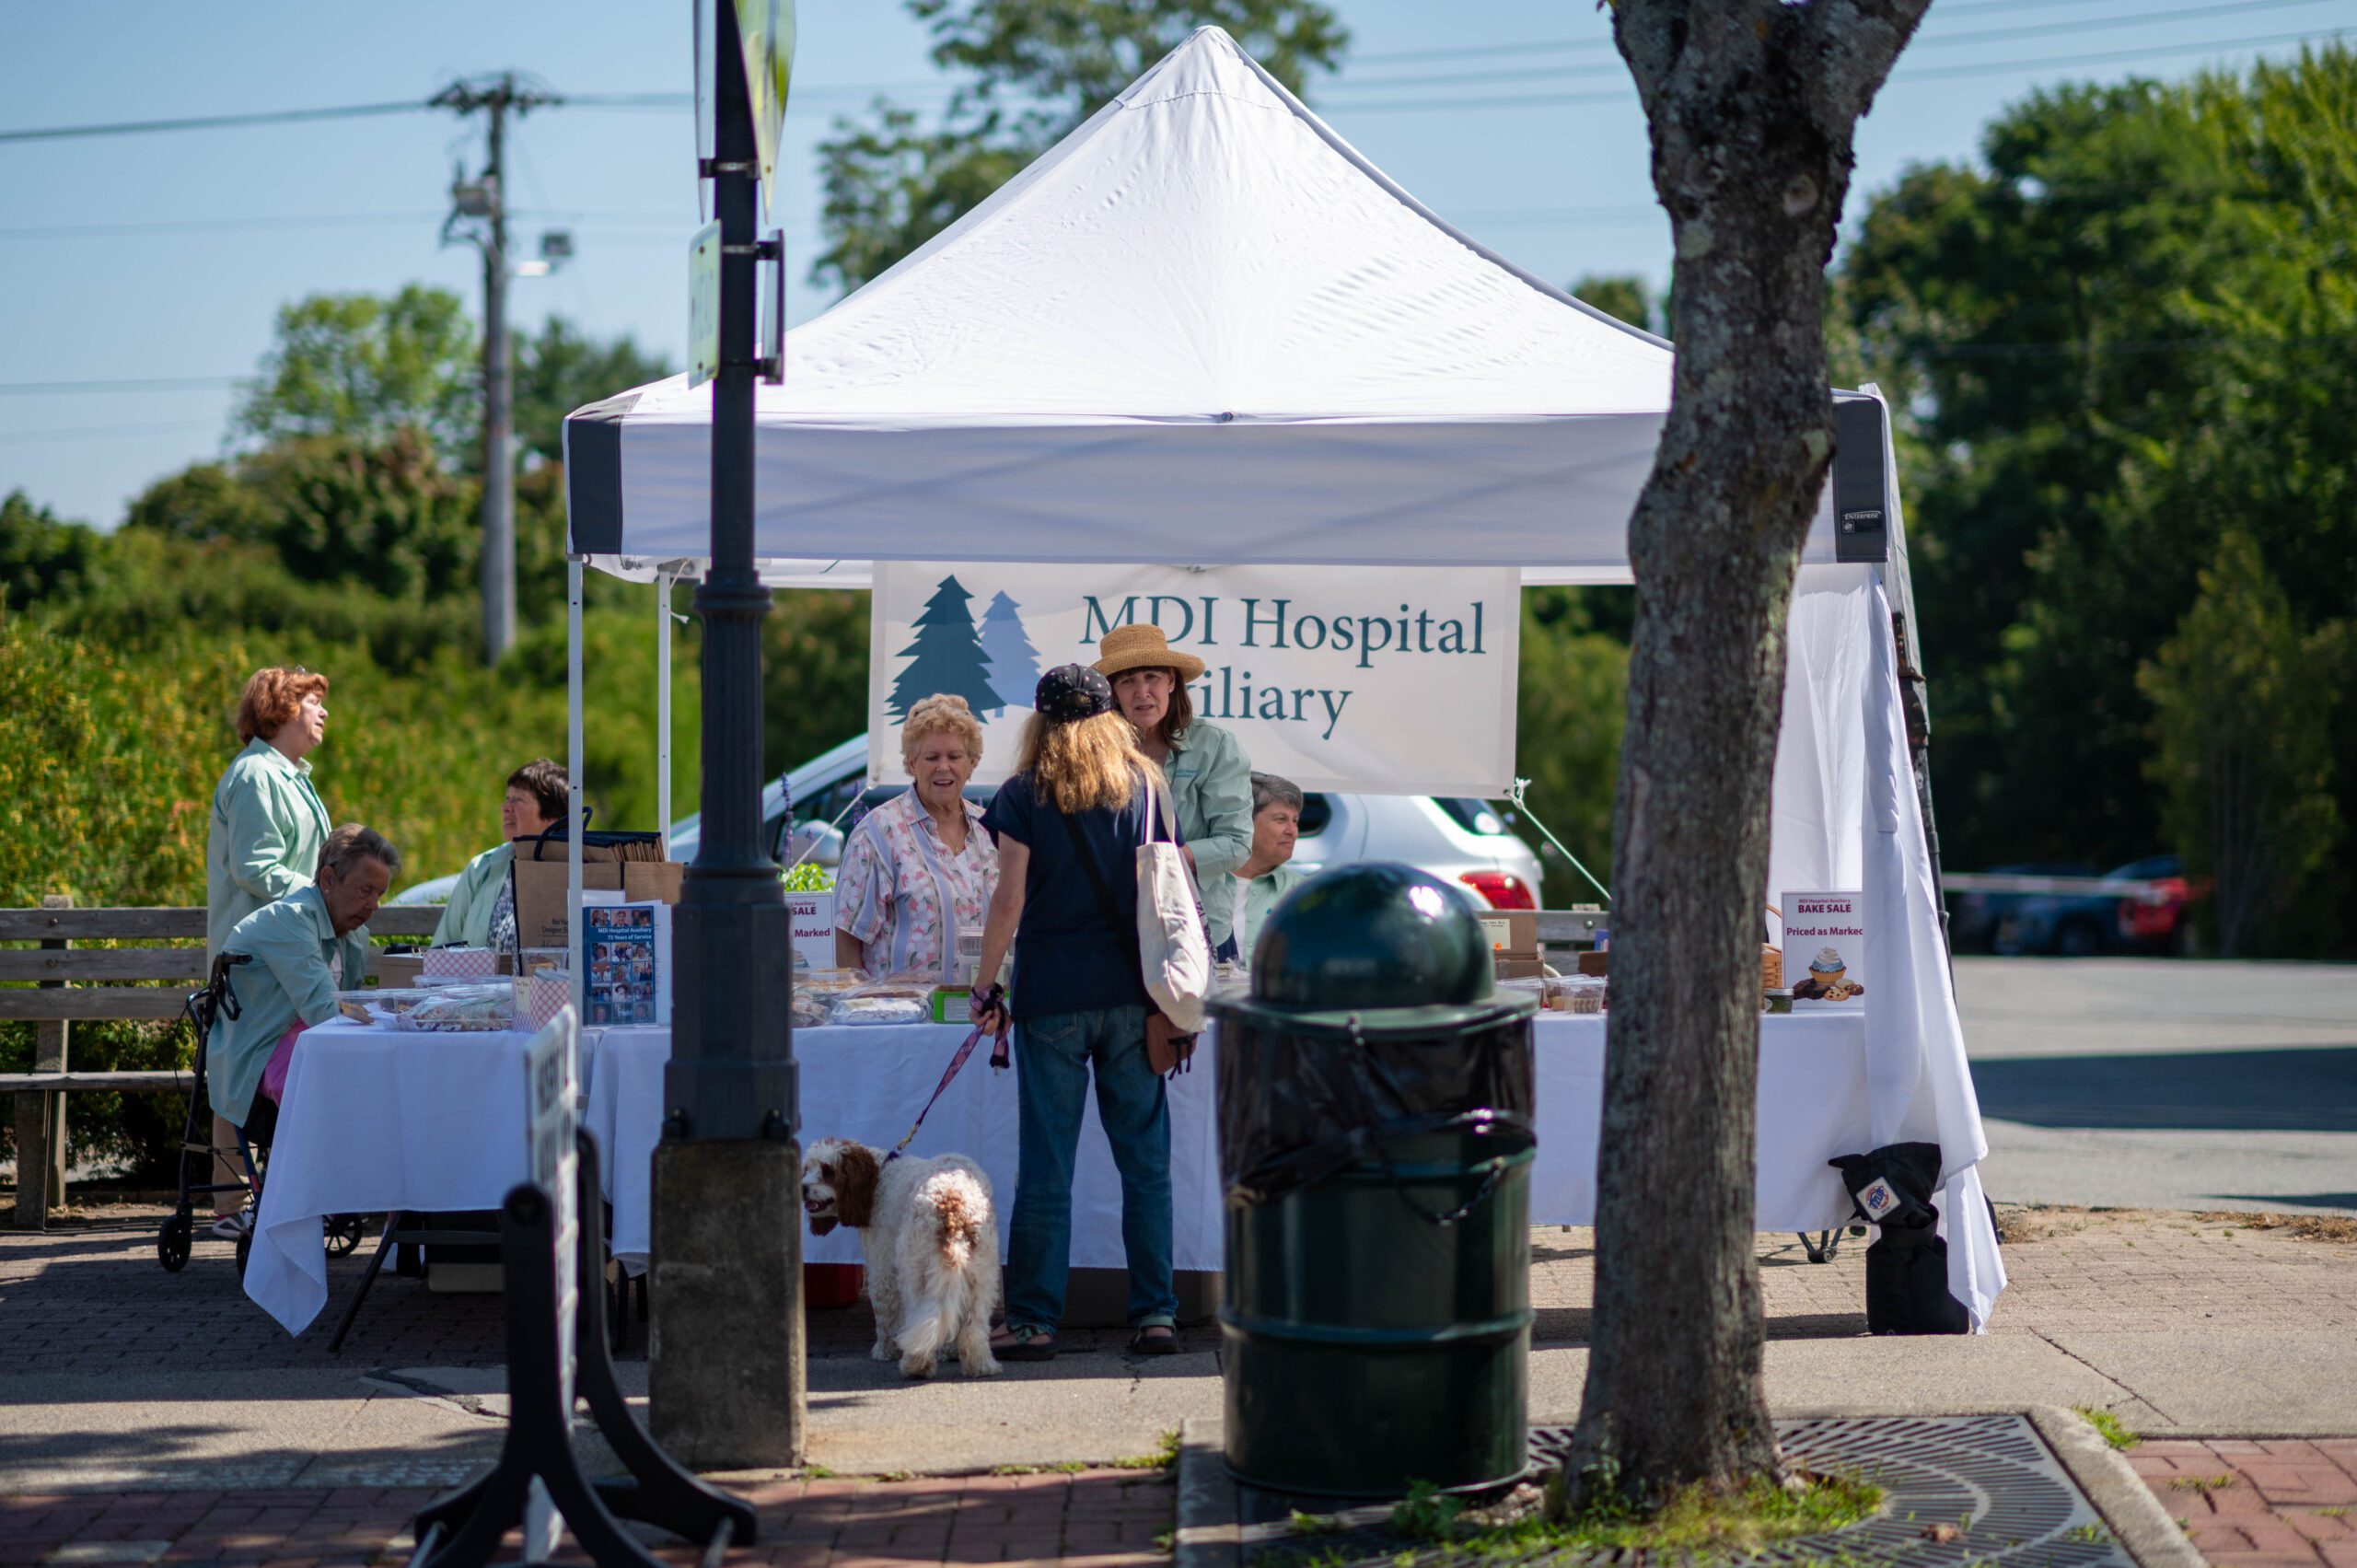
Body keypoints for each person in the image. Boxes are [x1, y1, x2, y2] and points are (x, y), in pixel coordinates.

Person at [970, 666, 1185, 1361]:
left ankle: (1034, 1321)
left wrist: (984, 986)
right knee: (1145, 1164)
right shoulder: (1147, 785)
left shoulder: (1023, 793)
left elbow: (1009, 899)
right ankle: (1156, 1314)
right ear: (1107, 717)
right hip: (1136, 996)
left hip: (1052, 997)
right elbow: (1170, 888)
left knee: (1046, 1166)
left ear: (1041, 722)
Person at [203, 665, 333, 1237]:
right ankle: (233, 1205)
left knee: (250, 1071)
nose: (323, 712)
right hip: (257, 958)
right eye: (312, 701)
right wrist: (323, 897)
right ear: (282, 708)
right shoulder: (256, 774)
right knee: (242, 1071)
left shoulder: (287, 774)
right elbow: (255, 867)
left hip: (281, 949)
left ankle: (252, 1198)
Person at [207, 826, 398, 1166]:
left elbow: (345, 1012)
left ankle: (365, 1182)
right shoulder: (291, 920)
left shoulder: (354, 933)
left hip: (309, 1044)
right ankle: (320, 1185)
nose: (374, 905)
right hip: (258, 1049)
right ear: (328, 879)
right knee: (337, 1088)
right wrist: (394, 1019)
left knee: (387, 1079)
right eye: (365, 891)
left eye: (380, 893)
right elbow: (325, 1012)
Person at [833, 695, 999, 981]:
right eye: (931, 758)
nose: (943, 767)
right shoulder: (878, 833)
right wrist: (857, 1002)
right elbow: (849, 937)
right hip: (901, 1007)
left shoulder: (990, 831)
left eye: (954, 757)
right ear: (911, 764)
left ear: (972, 763)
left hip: (980, 1005)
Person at [1095, 624, 1251, 889]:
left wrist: (1156, 863)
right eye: (1127, 681)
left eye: (1152, 677)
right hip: (1113, 906)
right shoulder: (1095, 750)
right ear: (1113, 693)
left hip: (1195, 910)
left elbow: (1236, 844)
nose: (1142, 692)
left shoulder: (1216, 744)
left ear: (1171, 682)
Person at [430, 760, 569, 951]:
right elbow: (442, 948)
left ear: (552, 817)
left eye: (518, 800)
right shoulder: (481, 868)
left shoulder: (578, 872)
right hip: (476, 973)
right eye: (507, 798)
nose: (506, 807)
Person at [1211, 772, 1309, 969]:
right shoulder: (1201, 884)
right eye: (1281, 819)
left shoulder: (1304, 892)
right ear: (1245, 822)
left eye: (1295, 821)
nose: (1293, 831)